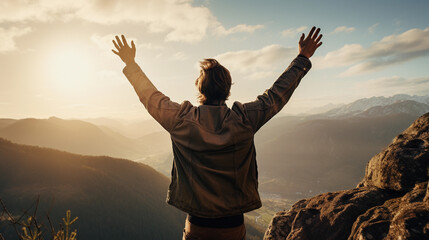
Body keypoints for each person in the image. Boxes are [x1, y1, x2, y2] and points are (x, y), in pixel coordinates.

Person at [112, 26, 323, 240]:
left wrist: (131, 64)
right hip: (232, 226)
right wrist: (302, 57)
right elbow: (277, 94)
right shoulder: (245, 120)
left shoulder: (180, 120)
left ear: (200, 89)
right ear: (228, 89)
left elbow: (150, 96)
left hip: (196, 226)